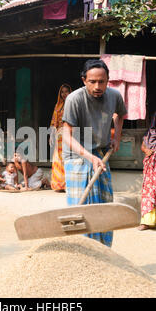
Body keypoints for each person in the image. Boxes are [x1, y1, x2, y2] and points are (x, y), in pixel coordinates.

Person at [62, 59, 127, 247]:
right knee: (81, 208)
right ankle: (82, 249)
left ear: (108, 80)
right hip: (77, 156)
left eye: (102, 81)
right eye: (92, 82)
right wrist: (89, 157)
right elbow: (66, 135)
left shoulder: (114, 96)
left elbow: (119, 115)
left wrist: (117, 137)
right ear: (84, 80)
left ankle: (103, 249)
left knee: (104, 203)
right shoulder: (74, 99)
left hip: (100, 153)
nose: (97, 86)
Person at [50, 83, 72, 192]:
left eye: (66, 91)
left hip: (70, 134)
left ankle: (69, 184)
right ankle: (59, 185)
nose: (64, 94)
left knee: (68, 158)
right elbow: (54, 121)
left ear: (70, 92)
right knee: (58, 159)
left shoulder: (73, 104)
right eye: (62, 92)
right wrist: (51, 136)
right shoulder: (57, 106)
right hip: (59, 135)